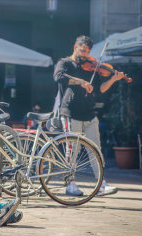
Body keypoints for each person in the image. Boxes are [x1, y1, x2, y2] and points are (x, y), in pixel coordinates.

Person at [53, 35, 125, 197]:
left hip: (90, 115)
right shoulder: (64, 63)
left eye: (88, 52)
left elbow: (100, 88)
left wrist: (114, 78)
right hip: (70, 113)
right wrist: (81, 82)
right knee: (72, 150)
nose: (85, 55)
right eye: (82, 50)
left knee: (96, 151)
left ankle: (101, 184)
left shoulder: (92, 66)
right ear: (75, 47)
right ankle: (70, 184)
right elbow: (59, 77)